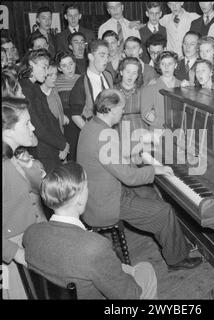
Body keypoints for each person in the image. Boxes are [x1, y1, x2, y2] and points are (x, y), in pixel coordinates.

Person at [77, 89, 203, 272]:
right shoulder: (104, 136)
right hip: (107, 202)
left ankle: (175, 241)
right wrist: (155, 169)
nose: (123, 112)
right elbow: (129, 177)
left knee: (151, 194)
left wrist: (135, 152)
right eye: (121, 108)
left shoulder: (93, 126)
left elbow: (111, 156)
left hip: (100, 192)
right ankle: (177, 259)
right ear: (110, 109)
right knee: (165, 210)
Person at [23, 161, 158, 299]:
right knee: (146, 269)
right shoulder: (95, 247)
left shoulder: (30, 233)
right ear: (80, 198)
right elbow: (130, 295)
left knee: (126, 269)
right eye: (87, 186)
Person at [2, 97, 46, 299]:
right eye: (27, 123)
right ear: (8, 130)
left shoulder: (14, 156)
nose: (33, 127)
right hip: (12, 254)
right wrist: (17, 254)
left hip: (28, 240)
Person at [19, 49, 69, 173]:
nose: (46, 73)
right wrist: (62, 145)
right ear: (31, 64)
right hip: (42, 152)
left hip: (50, 148)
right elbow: (38, 127)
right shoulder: (25, 89)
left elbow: (50, 119)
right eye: (44, 67)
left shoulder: (33, 87)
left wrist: (62, 143)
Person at [69, 39, 113, 145]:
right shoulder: (81, 82)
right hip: (95, 136)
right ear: (90, 57)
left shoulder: (108, 75)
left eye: (107, 56)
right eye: (102, 55)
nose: (106, 60)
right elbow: (75, 114)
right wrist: (91, 133)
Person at [114, 57, 148, 159]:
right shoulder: (112, 90)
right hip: (118, 131)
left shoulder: (143, 90)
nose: (130, 76)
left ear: (138, 75)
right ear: (121, 72)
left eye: (134, 73)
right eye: (127, 71)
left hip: (140, 131)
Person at [141, 51, 181, 129]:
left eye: (170, 64)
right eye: (163, 64)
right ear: (159, 66)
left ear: (175, 65)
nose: (166, 67)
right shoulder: (150, 88)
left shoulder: (183, 86)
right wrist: (164, 125)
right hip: (158, 131)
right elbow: (145, 114)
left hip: (181, 132)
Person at [55, 51, 80, 161]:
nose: (69, 68)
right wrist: (61, 114)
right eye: (64, 66)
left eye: (71, 64)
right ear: (59, 68)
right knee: (71, 152)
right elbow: (52, 102)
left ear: (75, 63)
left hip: (82, 117)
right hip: (66, 121)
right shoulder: (55, 81)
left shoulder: (83, 78)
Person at [40, 61, 69, 135]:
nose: (55, 78)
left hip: (59, 131)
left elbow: (56, 107)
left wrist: (61, 116)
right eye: (50, 75)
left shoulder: (54, 89)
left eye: (56, 74)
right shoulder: (38, 95)